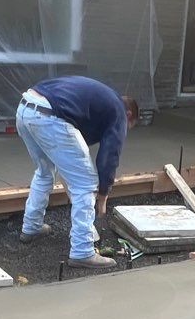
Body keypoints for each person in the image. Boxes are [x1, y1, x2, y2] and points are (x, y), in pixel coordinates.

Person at [16, 76, 138, 269]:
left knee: (44, 171)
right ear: (129, 115)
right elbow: (109, 156)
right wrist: (103, 195)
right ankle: (82, 252)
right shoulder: (118, 112)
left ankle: (31, 227)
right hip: (49, 116)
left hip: (25, 108)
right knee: (86, 184)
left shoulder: (99, 101)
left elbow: (73, 142)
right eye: (128, 127)